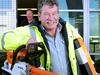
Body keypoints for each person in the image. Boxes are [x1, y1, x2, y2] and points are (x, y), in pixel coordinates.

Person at [0, 0, 97, 75]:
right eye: (46, 14)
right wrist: (24, 41)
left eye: (54, 13)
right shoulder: (28, 32)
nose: (50, 18)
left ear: (58, 15)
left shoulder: (69, 30)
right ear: (39, 16)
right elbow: (2, 39)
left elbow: (84, 54)